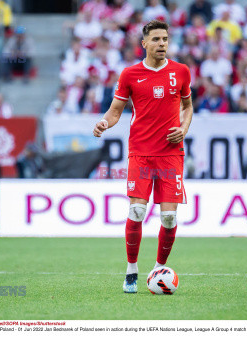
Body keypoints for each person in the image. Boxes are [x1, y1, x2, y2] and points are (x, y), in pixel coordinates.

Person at [93, 20, 193, 294]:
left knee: (169, 219)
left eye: (165, 39)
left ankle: (159, 268)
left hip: (171, 154)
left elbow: (188, 106)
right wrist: (104, 122)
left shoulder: (181, 71)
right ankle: (131, 270)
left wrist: (183, 130)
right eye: (157, 39)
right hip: (141, 152)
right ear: (145, 44)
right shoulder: (130, 74)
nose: (162, 44)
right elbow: (115, 112)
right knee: (137, 211)